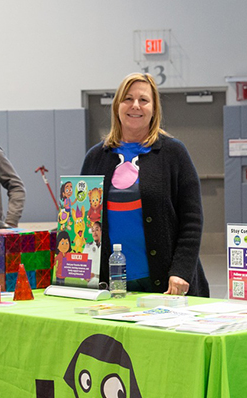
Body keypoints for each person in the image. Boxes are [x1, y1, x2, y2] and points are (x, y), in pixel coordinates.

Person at [80, 73, 208, 296]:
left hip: (166, 280)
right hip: (110, 283)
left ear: (154, 108)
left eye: (143, 100)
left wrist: (181, 271)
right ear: (117, 106)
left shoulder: (173, 153)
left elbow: (192, 220)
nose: (135, 106)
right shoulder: (96, 157)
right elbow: (82, 218)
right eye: (128, 99)